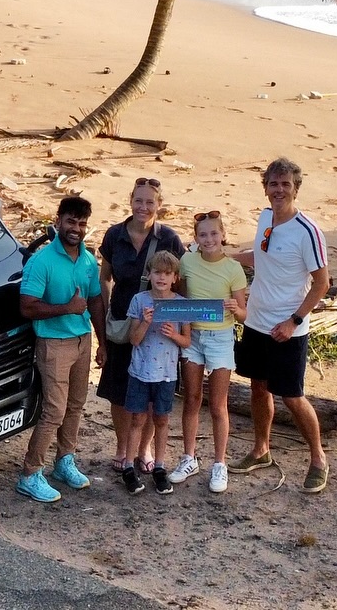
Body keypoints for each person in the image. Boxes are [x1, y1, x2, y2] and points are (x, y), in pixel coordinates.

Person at [230, 157, 331, 494]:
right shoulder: (265, 219)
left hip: (287, 328)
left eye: (285, 184)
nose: (279, 190)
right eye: (273, 184)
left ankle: (318, 458)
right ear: (266, 188)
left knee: (291, 396)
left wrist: (294, 320)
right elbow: (261, 256)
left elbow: (321, 283)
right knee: (258, 386)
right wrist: (225, 256)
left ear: (295, 188)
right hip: (256, 321)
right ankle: (261, 450)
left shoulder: (308, 231)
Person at [16, 195, 107, 504]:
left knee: (76, 405)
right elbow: (27, 307)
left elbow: (94, 300)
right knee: (54, 410)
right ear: (58, 222)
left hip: (83, 342)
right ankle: (30, 474)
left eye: (82, 224)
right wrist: (66, 308)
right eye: (71, 221)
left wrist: (102, 343)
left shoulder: (86, 260)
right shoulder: (42, 261)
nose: (76, 229)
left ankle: (64, 461)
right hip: (53, 344)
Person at [96, 178, 185, 475]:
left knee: (150, 390)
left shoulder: (169, 238)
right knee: (119, 388)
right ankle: (123, 447)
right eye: (139, 200)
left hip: (158, 329)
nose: (143, 207)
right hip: (124, 321)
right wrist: (106, 317)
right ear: (130, 201)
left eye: (150, 202)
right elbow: (104, 279)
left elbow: (180, 281)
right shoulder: (114, 235)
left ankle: (144, 448)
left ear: (159, 205)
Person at [169, 212, 248, 493]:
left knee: (218, 405)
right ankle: (189, 457)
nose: (209, 239)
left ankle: (219, 463)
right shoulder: (187, 261)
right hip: (193, 336)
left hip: (220, 338)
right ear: (196, 239)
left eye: (214, 234)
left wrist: (234, 309)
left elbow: (243, 314)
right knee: (191, 398)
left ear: (223, 235)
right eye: (203, 235)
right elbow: (179, 293)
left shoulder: (233, 269)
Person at [122, 251, 192, 494]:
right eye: (157, 272)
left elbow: (186, 342)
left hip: (167, 374)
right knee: (137, 419)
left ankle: (160, 467)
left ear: (175, 277)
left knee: (162, 420)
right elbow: (134, 339)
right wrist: (145, 322)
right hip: (140, 371)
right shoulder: (140, 301)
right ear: (149, 274)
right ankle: (128, 467)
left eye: (167, 273)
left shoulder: (181, 304)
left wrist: (173, 334)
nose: (161, 277)